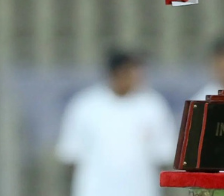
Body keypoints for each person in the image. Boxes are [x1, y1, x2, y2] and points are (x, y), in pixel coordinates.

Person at [56, 50, 176, 196]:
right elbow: (71, 155)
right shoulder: (85, 105)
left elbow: (163, 155)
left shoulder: (153, 106)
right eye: (133, 71)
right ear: (117, 73)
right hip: (95, 191)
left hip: (141, 190)